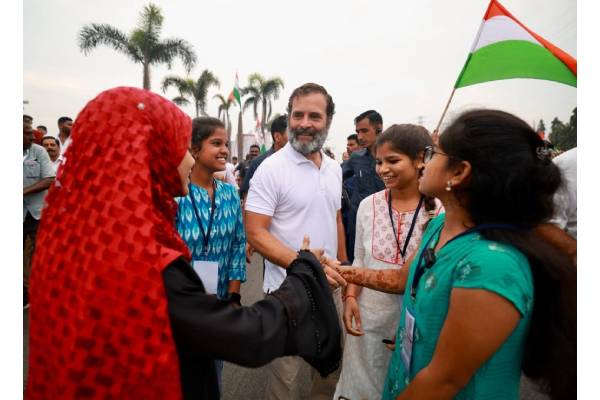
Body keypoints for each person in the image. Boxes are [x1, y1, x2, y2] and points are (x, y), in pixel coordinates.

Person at [26, 87, 343, 400]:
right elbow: (247, 337)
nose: (189, 160)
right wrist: (305, 270)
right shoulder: (141, 259)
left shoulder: (92, 235)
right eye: (182, 147)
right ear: (149, 153)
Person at [328, 109, 576, 400]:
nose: (425, 162)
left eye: (434, 154)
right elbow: (399, 279)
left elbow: (441, 383)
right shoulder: (439, 226)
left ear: (459, 173)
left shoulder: (491, 264)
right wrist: (336, 270)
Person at [245, 82, 347, 400]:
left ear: (328, 121)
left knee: (329, 373)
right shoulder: (271, 169)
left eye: (314, 116)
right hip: (286, 293)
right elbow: (255, 231)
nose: (304, 123)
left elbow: (337, 219)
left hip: (331, 289)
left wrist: (345, 270)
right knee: (285, 382)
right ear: (288, 117)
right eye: (297, 114)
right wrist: (303, 263)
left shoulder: (334, 169)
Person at [334, 124, 441, 400]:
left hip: (418, 327)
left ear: (421, 159)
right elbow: (360, 258)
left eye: (393, 161)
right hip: (366, 321)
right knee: (360, 388)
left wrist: (416, 331)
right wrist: (350, 298)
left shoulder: (441, 211)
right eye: (379, 162)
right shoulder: (368, 205)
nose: (382, 169)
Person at [343, 110, 386, 262]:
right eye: (357, 131)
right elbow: (335, 176)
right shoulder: (356, 158)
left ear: (379, 129)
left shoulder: (392, 159)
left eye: (364, 131)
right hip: (358, 225)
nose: (360, 136)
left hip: (384, 224)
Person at [23, 124, 55, 308]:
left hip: (37, 213)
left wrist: (23, 192)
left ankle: (42, 293)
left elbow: (49, 178)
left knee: (40, 255)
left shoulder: (39, 151)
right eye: (27, 134)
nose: (33, 137)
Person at [239, 114, 288, 201]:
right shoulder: (258, 163)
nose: (296, 137)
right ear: (277, 137)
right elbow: (247, 195)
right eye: (292, 133)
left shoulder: (302, 162)